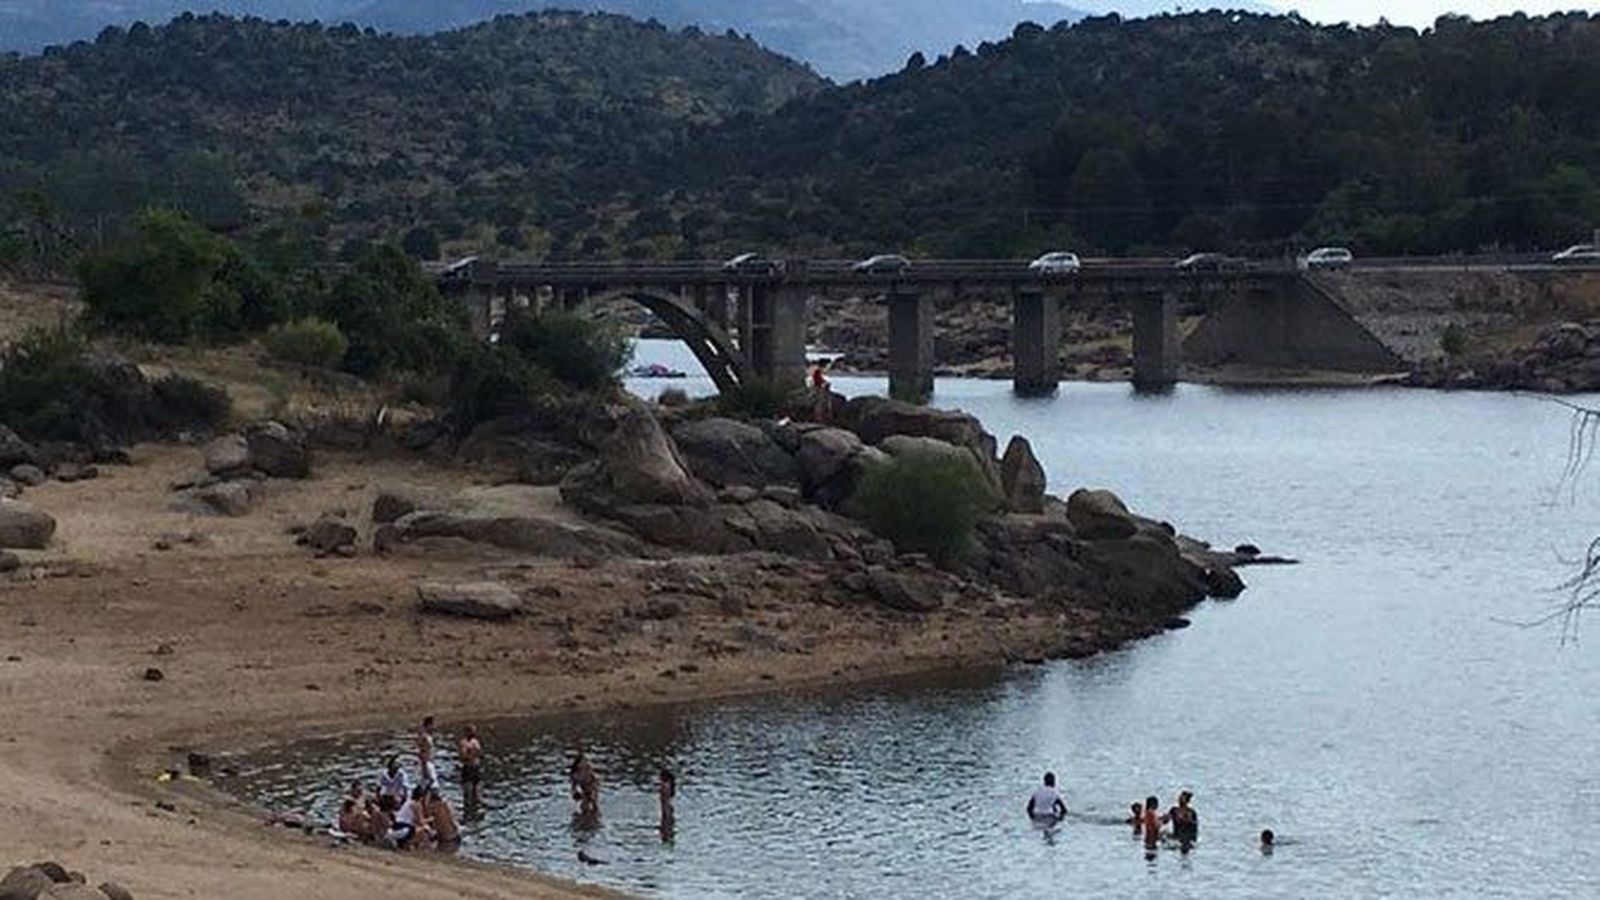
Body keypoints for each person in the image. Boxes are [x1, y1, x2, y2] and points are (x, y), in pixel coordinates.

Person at [458, 725, 484, 809]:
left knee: (477, 790)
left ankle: (476, 807)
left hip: (476, 767)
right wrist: (472, 754)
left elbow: (480, 753)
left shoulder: (475, 741)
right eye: (472, 731)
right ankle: (468, 808)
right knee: (468, 791)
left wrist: (475, 753)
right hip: (468, 768)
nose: (474, 733)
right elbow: (463, 756)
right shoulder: (464, 743)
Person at [569, 752, 600, 817]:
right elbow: (573, 785)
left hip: (591, 786)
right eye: (583, 761)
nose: (585, 763)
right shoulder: (575, 774)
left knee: (593, 802)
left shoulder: (588, 769)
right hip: (583, 788)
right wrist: (575, 792)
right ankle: (585, 814)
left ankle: (593, 815)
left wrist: (594, 790)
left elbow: (594, 780)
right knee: (585, 804)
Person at [658, 768, 677, 838]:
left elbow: (664, 799)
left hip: (666, 808)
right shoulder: (668, 785)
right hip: (668, 807)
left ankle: (667, 834)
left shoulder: (665, 786)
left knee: (666, 823)